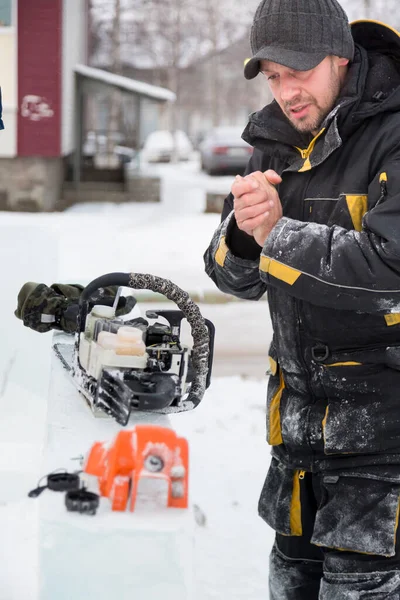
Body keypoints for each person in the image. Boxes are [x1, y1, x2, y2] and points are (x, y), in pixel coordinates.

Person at [204, 0, 400, 597]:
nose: (286, 91)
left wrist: (278, 236)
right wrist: (242, 232)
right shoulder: (274, 142)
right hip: (295, 445)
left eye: (299, 71)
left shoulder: (394, 132)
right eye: (273, 75)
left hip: (383, 451)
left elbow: (392, 266)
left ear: (339, 55)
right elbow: (231, 277)